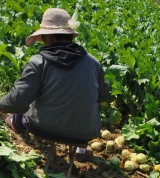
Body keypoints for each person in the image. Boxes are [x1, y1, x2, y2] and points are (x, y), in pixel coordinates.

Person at [0, 8, 110, 157]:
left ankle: (15, 122)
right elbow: (104, 96)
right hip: (85, 134)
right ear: (70, 36)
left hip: (41, 127)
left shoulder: (38, 62)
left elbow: (18, 101)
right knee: (94, 101)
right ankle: (81, 149)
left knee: (26, 95)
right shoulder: (93, 63)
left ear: (48, 36)